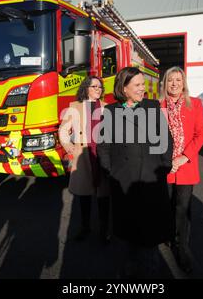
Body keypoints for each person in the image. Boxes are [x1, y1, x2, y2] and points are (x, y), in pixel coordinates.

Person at [97, 67, 174, 277]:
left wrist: (163, 168)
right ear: (124, 88)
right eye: (138, 85)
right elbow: (103, 147)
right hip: (123, 183)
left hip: (150, 181)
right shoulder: (112, 112)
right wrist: (111, 173)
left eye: (143, 84)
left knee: (149, 244)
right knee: (126, 242)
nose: (143, 89)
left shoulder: (152, 106)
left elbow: (166, 141)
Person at [160, 66, 203, 274]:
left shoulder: (194, 104)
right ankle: (170, 236)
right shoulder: (158, 106)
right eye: (171, 80)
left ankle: (183, 249)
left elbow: (201, 134)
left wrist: (183, 156)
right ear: (165, 83)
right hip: (165, 166)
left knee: (183, 208)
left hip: (185, 165)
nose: (174, 84)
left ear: (184, 82)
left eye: (178, 80)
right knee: (168, 206)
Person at [58, 76, 110, 244]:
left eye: (100, 87)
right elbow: (63, 130)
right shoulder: (74, 107)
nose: (98, 89)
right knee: (84, 195)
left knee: (103, 196)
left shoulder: (107, 108)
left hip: (102, 155)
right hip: (83, 154)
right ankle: (85, 227)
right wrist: (68, 146)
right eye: (94, 86)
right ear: (86, 88)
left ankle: (104, 230)